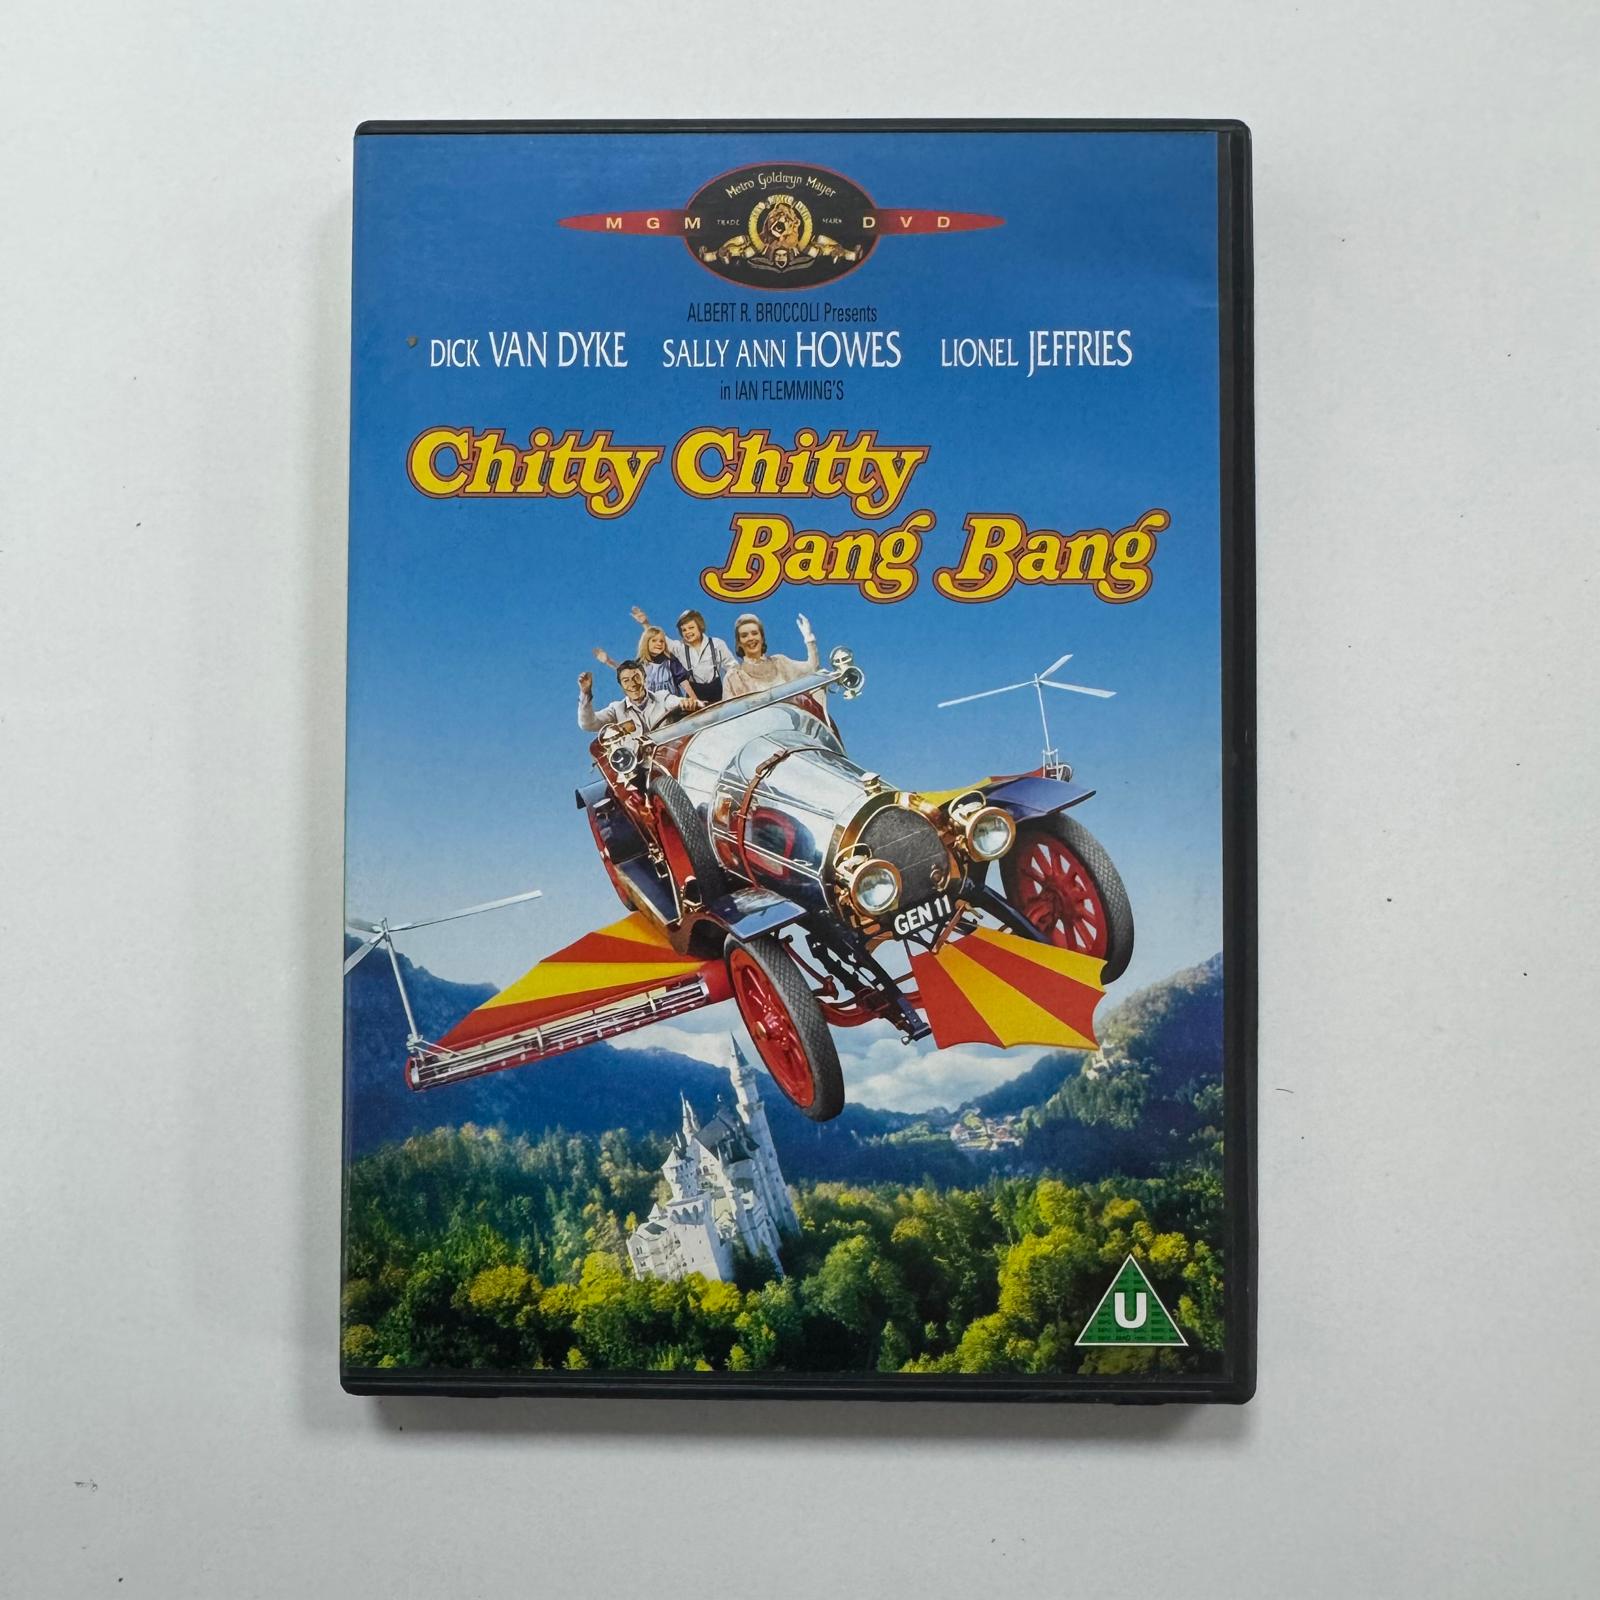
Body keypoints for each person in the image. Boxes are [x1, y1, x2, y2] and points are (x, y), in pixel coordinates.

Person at [630, 605, 735, 705]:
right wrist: (645, 623)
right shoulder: (679, 648)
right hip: (694, 697)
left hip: (718, 694)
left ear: (700, 627)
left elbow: (732, 667)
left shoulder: (717, 644)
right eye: (684, 630)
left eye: (691, 627)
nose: (687, 632)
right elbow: (661, 639)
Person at [577, 661, 692, 735]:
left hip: (671, 758)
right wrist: (585, 693)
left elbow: (677, 702)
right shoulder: (616, 709)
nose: (632, 684)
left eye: (636, 677)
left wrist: (687, 703)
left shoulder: (662, 698)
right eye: (626, 681)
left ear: (644, 678)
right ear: (621, 685)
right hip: (638, 764)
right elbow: (588, 724)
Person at [722, 612, 820, 698]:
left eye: (754, 633)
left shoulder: (780, 662)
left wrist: (809, 639)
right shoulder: (733, 677)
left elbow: (812, 669)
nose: (750, 638)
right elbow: (728, 711)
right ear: (739, 642)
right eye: (744, 636)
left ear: (762, 637)